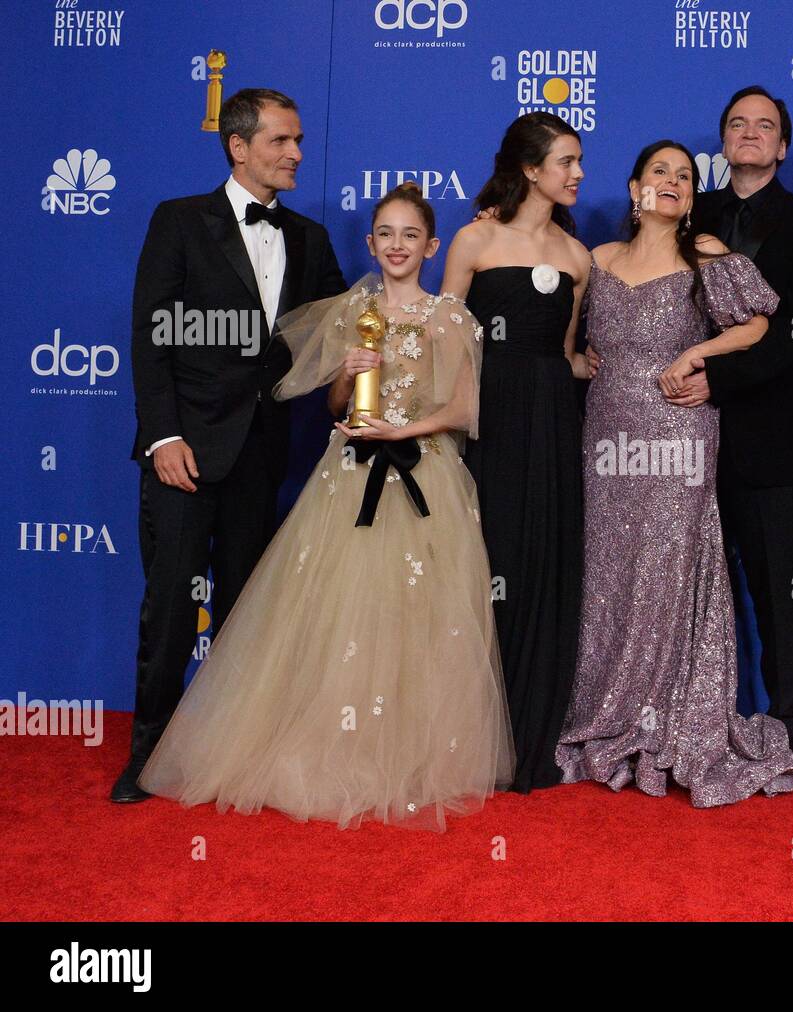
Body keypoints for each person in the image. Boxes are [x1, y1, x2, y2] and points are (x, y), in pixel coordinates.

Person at [137, 182, 514, 830]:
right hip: (348, 476)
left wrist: (404, 431)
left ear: (432, 245)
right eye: (385, 234)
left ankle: (412, 755)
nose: (397, 246)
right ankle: (334, 746)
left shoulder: (450, 315)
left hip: (426, 479)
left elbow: (464, 408)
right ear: (370, 244)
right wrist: (346, 373)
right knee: (342, 615)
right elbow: (339, 407)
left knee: (418, 617)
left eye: (409, 235)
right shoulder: (353, 310)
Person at [590, 86, 793, 772]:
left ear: (784, 146)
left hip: (765, 440)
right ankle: (669, 712)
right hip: (674, 441)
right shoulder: (695, 220)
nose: (750, 133)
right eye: (737, 124)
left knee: (775, 589)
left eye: (766, 127)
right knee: (672, 587)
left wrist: (713, 376)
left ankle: (788, 728)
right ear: (721, 141)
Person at [114, 89, 346, 803]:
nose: (297, 153)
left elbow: (346, 325)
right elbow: (153, 339)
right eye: (281, 141)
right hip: (184, 451)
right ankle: (147, 756)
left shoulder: (309, 238)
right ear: (238, 146)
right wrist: (163, 435)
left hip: (261, 453)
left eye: (299, 139)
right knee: (172, 609)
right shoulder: (180, 221)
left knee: (246, 611)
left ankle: (230, 756)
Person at [556, 140, 793, 807]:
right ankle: (605, 713)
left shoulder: (710, 257)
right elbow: (566, 343)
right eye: (660, 172)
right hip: (608, 437)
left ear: (693, 195)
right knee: (608, 569)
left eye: (684, 176)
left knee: (670, 566)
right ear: (635, 185)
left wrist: (699, 351)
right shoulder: (594, 261)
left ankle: (668, 718)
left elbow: (756, 328)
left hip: (681, 434)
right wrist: (577, 363)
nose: (671, 182)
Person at [441, 112, 591, 793]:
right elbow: (446, 346)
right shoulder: (474, 240)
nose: (578, 173)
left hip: (554, 423)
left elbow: (568, 355)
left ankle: (534, 736)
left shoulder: (578, 258)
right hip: (488, 420)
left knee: (542, 567)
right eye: (566, 161)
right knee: (488, 564)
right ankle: (474, 738)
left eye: (579, 161)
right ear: (531, 170)